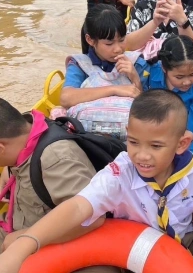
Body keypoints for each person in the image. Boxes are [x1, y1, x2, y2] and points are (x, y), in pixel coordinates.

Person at [0, 90, 193, 273]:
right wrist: (27, 243)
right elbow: (78, 206)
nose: (142, 155)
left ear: (181, 144)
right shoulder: (119, 172)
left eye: (156, 146)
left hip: (186, 238)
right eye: (134, 142)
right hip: (135, 245)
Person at [0, 99, 118, 273]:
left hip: (57, 246)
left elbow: (91, 219)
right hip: (14, 231)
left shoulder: (57, 158)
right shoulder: (24, 134)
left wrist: (22, 239)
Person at [60, 5, 156, 139]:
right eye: (109, 44)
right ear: (90, 40)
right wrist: (114, 90)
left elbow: (148, 107)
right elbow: (66, 98)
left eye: (122, 40)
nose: (118, 49)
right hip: (89, 138)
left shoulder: (136, 63)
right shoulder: (80, 64)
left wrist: (135, 78)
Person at [146, 36, 193, 173]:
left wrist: (173, 144)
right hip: (157, 129)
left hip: (191, 134)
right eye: (179, 77)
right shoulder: (151, 74)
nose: (187, 82)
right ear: (164, 69)